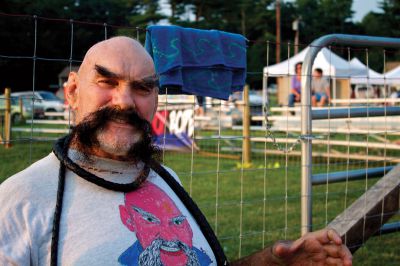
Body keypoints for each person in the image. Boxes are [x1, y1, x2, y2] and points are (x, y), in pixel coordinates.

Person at [0, 37, 352, 265]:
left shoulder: (167, 181)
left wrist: (275, 262)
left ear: (155, 99)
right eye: (107, 82)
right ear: (72, 92)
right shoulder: (23, 199)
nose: (124, 102)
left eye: (142, 88)